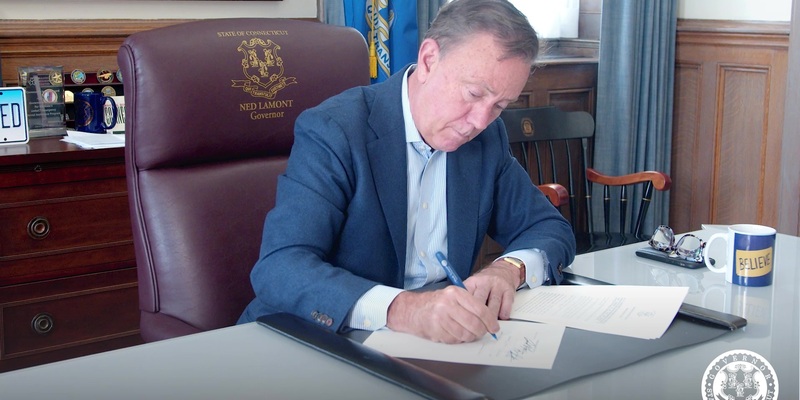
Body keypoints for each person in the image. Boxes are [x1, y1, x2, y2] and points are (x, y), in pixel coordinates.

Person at [238, 0, 576, 343]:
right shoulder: (335, 130)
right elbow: (281, 268)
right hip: (318, 337)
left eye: (499, 107)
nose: (479, 121)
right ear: (429, 60)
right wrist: (406, 310)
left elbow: (548, 227)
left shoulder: (486, 139)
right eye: (474, 93)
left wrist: (509, 270)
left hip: (430, 347)